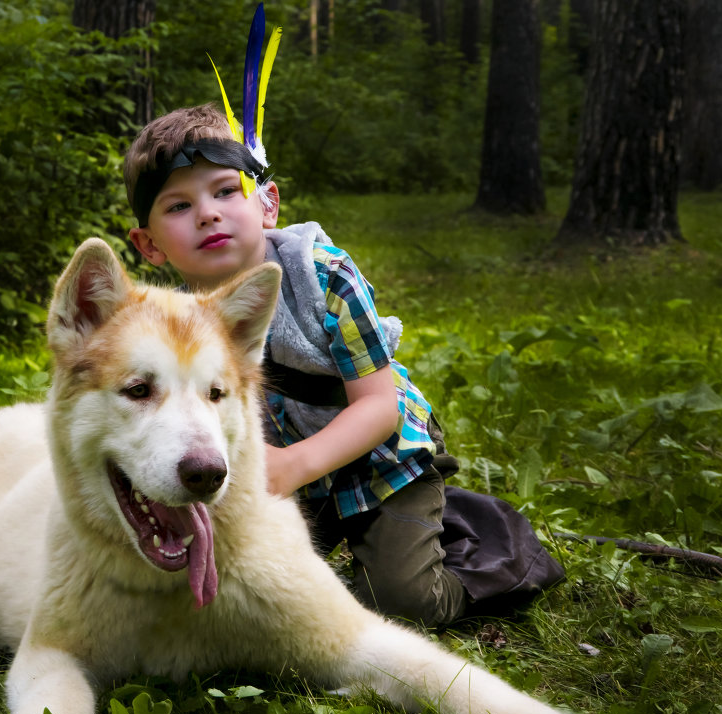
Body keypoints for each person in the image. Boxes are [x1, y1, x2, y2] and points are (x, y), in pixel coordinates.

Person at [122, 103, 564, 626]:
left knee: (402, 603)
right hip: (288, 477)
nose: (207, 213)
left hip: (382, 463)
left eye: (224, 191)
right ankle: (377, 540)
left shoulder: (324, 278)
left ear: (267, 204)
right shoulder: (175, 321)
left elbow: (380, 408)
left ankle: (483, 535)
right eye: (178, 206)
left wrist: (291, 466)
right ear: (149, 246)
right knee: (243, 594)